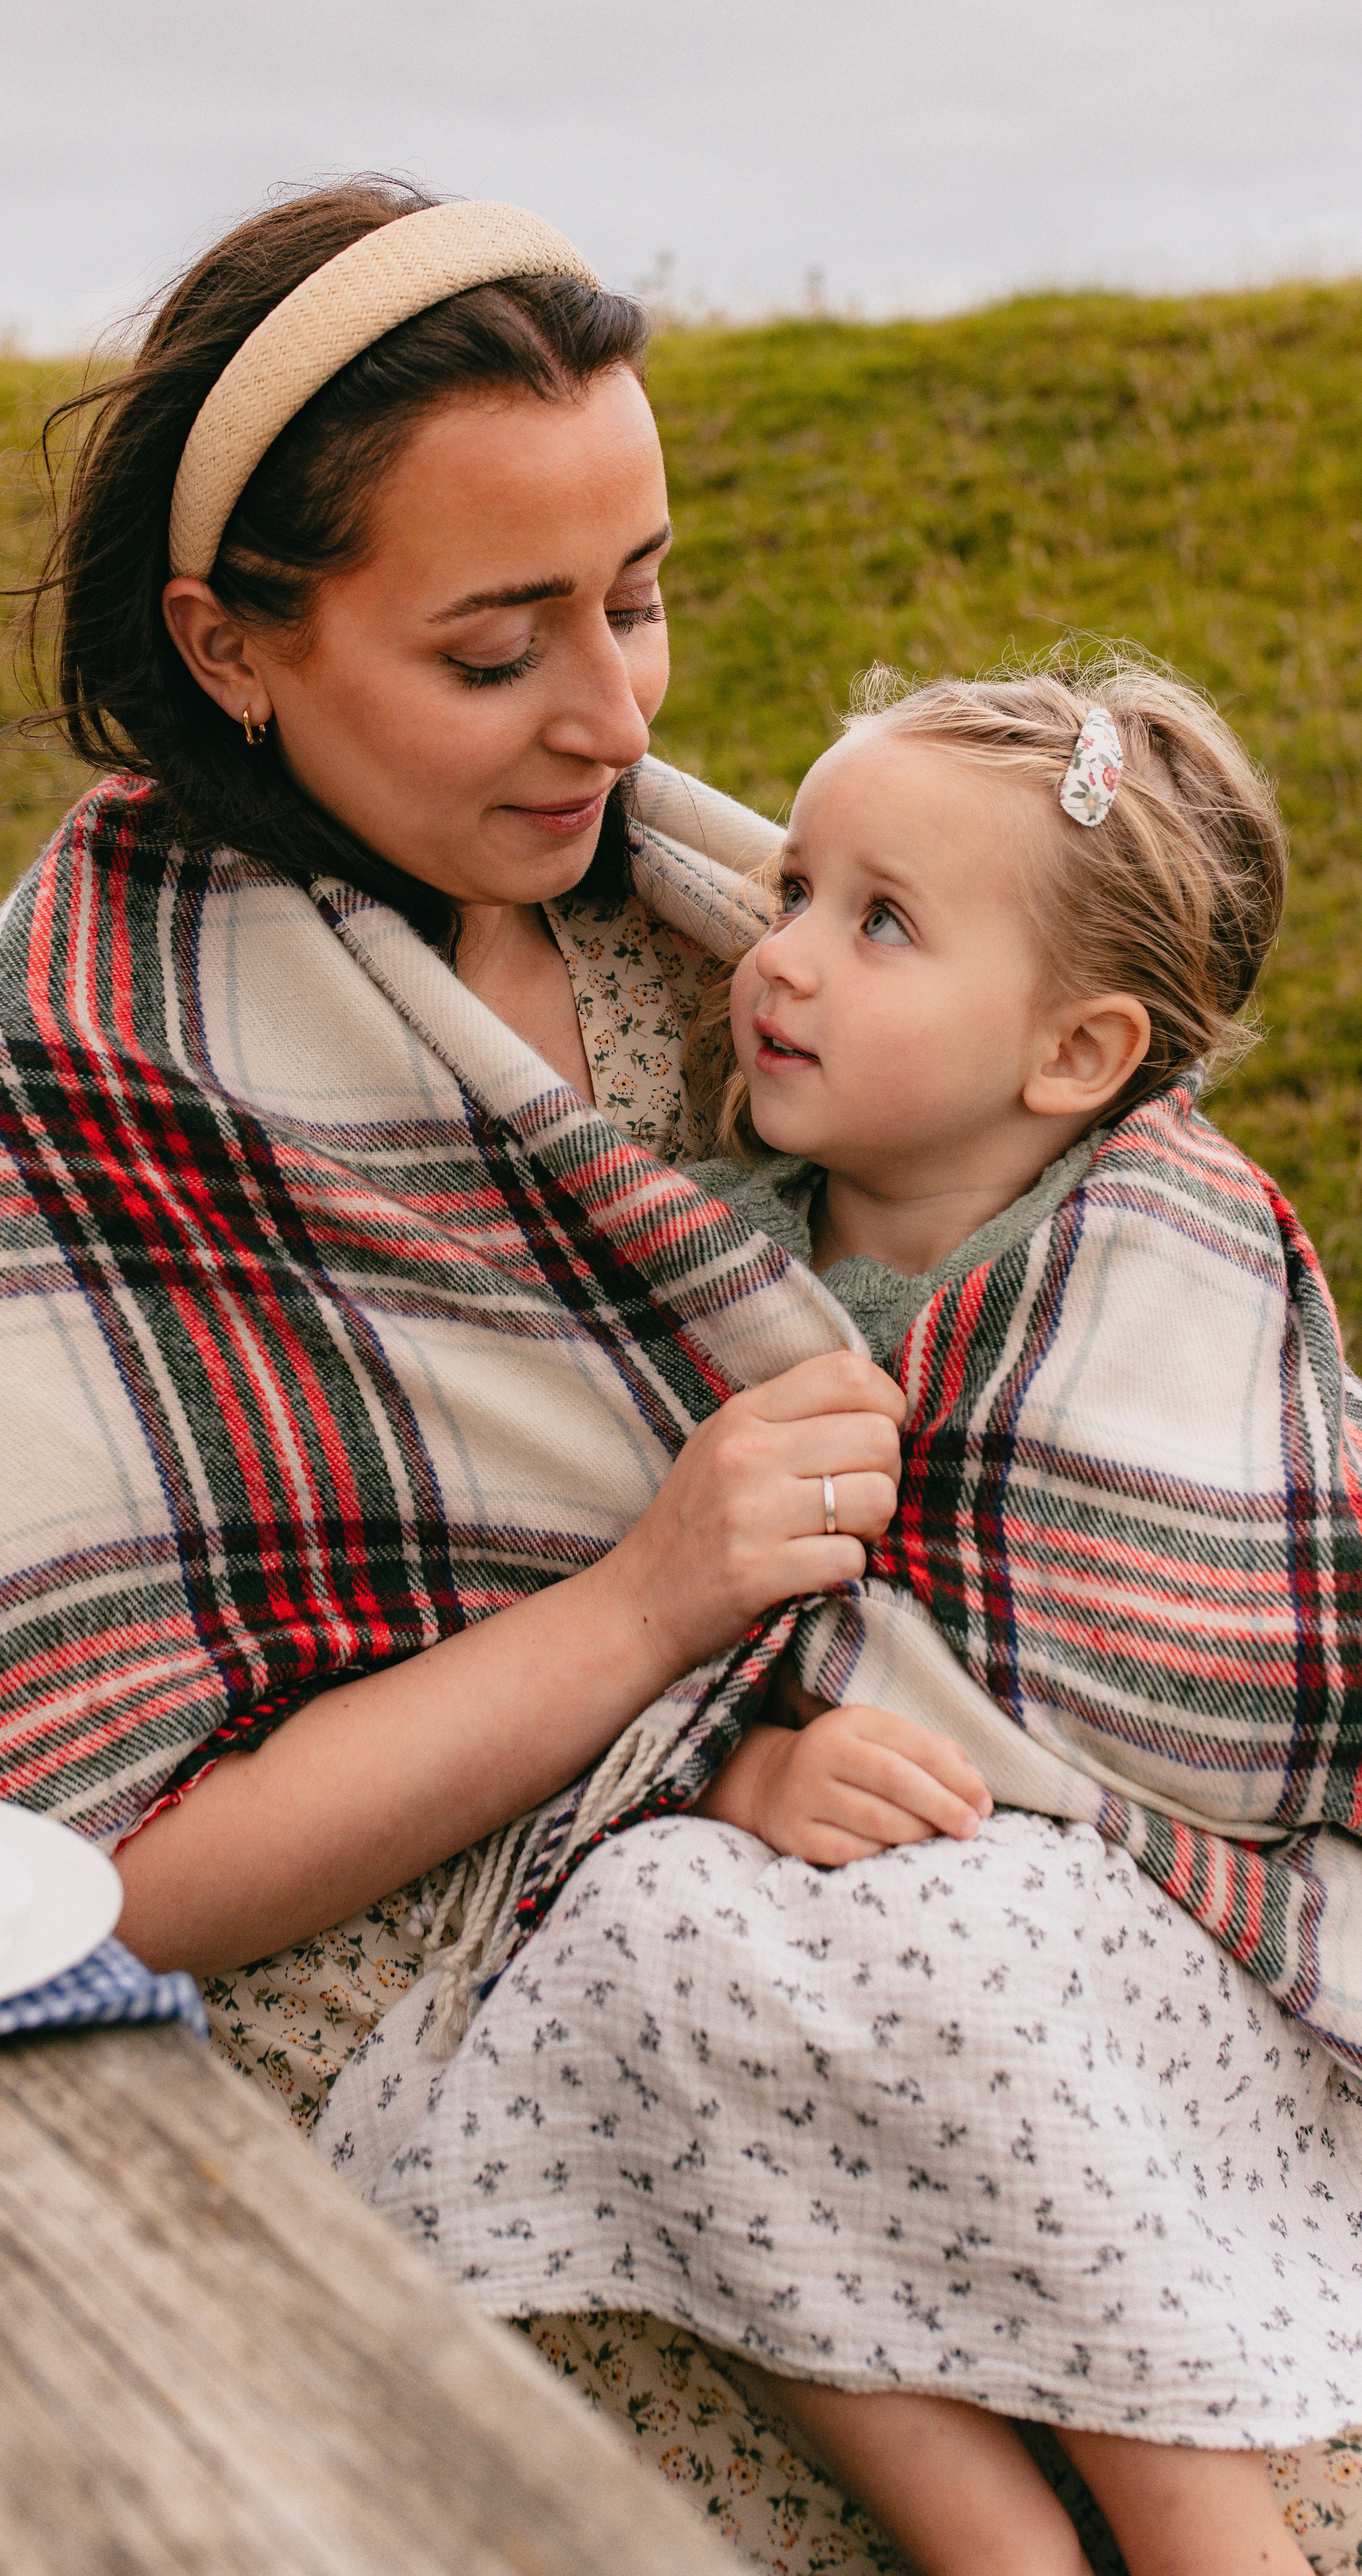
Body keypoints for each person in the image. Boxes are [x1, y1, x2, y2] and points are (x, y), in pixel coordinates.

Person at [333, 658, 1362, 2576]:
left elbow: (1196, 1650)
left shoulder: (1157, 1256)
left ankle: (1206, 2528)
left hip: (1109, 1921)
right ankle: (984, 2543)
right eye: (790, 887)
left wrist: (929, 1754)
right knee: (642, 1951)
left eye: (877, 922)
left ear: (1072, 1056)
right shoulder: (711, 1251)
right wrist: (740, 1765)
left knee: (975, 1974)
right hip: (850, 1898)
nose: (779, 958)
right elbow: (632, 1594)